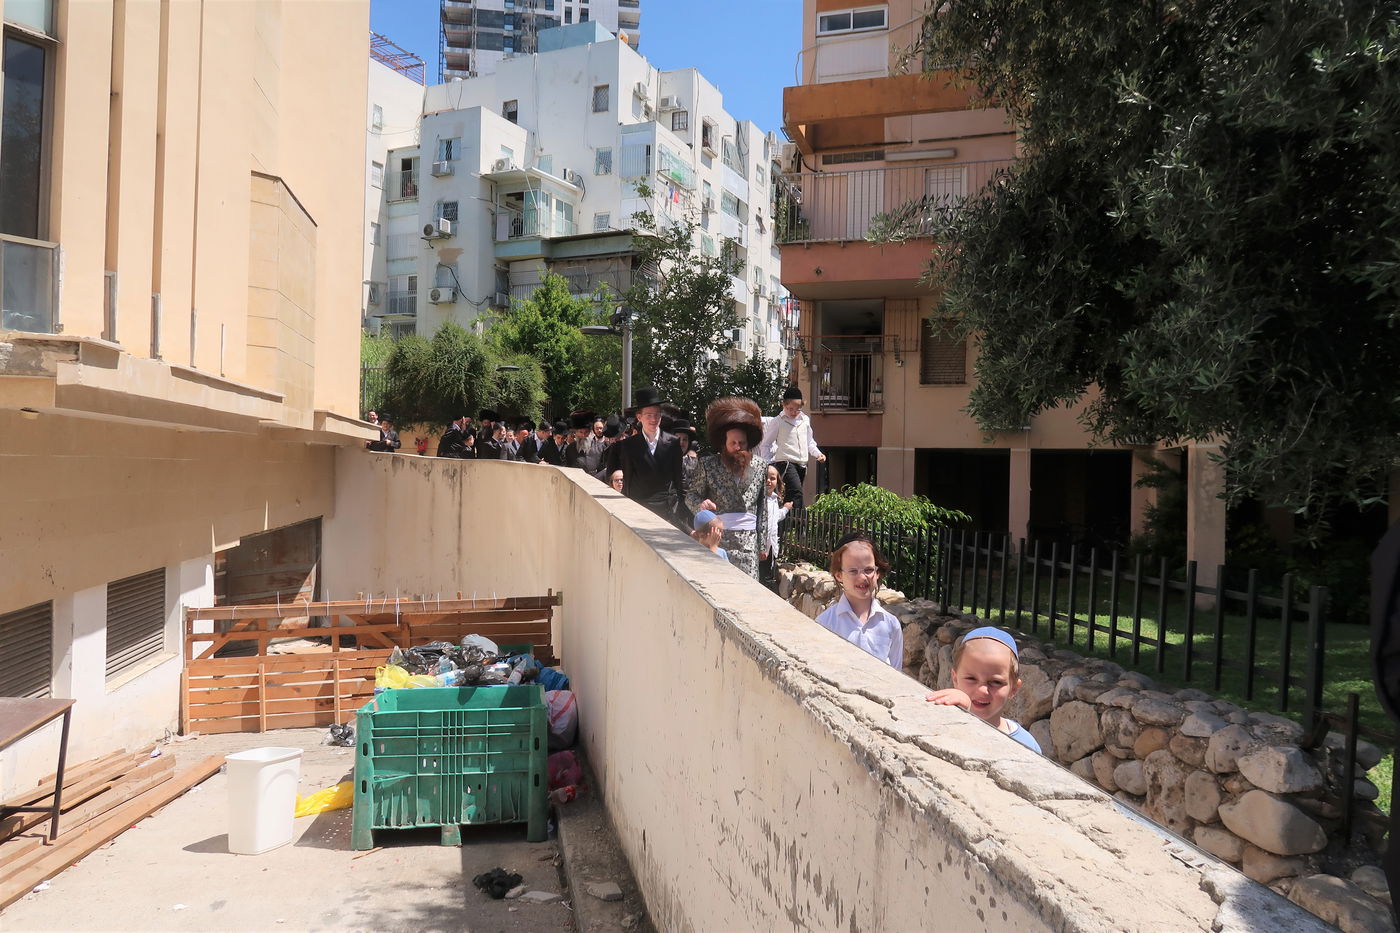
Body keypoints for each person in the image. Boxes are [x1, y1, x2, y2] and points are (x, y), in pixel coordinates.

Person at [685, 397, 769, 578]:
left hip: (748, 543)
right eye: (733, 443)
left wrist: (763, 544)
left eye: (742, 443)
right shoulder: (708, 465)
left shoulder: (761, 466)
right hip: (717, 540)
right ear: (724, 444)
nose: (738, 448)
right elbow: (691, 496)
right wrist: (701, 506)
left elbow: (762, 507)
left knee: (749, 591)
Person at [926, 627, 1042, 754]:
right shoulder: (939, 725)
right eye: (971, 678)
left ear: (1013, 688)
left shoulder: (1026, 746)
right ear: (955, 679)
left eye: (996, 682)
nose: (982, 691)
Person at [813, 533, 901, 668]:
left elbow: (897, 674)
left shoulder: (891, 625)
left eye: (869, 570)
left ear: (877, 573)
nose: (862, 577)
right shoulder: (825, 624)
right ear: (839, 575)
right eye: (853, 571)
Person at [616, 386, 686, 523]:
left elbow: (679, 479)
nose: (653, 419)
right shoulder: (628, 445)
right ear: (639, 417)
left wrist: (682, 508)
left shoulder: (672, 443)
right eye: (649, 415)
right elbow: (628, 480)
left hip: (665, 510)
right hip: (639, 508)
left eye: (657, 415)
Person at [758, 386, 825, 512]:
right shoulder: (778, 421)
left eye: (797, 409)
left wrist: (817, 454)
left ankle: (785, 524)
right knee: (796, 491)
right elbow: (765, 444)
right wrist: (768, 464)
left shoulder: (805, 420)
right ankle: (802, 521)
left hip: (802, 464)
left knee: (790, 496)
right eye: (790, 409)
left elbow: (809, 441)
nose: (794, 412)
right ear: (784, 405)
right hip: (786, 462)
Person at [759, 464, 793, 591]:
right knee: (760, 577)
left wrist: (785, 508)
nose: (768, 481)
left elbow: (775, 518)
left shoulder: (774, 499)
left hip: (771, 545)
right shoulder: (759, 499)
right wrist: (761, 546)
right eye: (765, 477)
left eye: (772, 478)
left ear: (777, 482)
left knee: (767, 575)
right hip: (761, 547)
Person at [672, 419, 700, 492]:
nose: (681, 442)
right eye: (677, 438)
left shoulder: (696, 464)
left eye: (685, 439)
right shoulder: (661, 461)